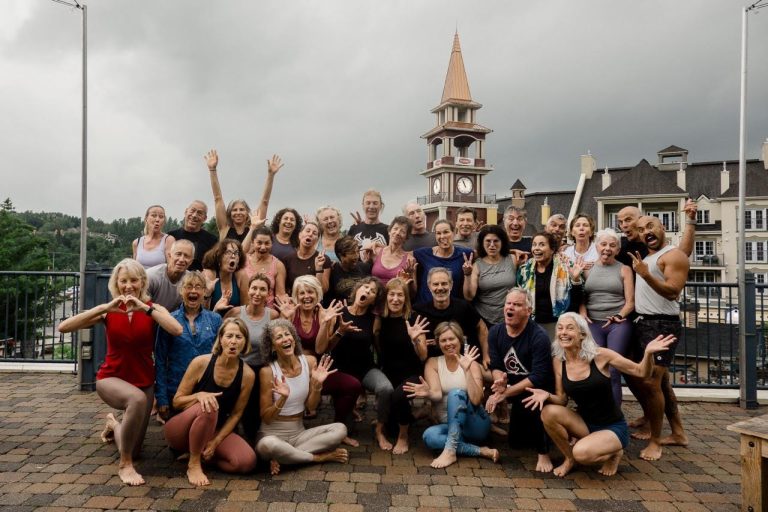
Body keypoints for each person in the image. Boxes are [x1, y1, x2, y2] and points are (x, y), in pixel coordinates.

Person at [58, 259, 182, 485]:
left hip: (144, 381)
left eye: (133, 280)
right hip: (111, 378)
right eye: (123, 281)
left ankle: (114, 425)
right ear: (116, 283)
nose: (128, 286)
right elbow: (64, 327)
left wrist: (146, 307)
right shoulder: (109, 311)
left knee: (134, 449)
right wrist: (104, 308)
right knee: (134, 400)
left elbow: (177, 329)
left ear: (142, 282)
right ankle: (125, 465)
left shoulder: (152, 308)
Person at [523, 313, 675, 477]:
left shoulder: (600, 355)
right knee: (548, 412)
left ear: (582, 334)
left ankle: (615, 452)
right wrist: (546, 395)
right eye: (560, 328)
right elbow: (561, 399)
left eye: (569, 328)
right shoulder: (559, 361)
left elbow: (640, 372)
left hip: (612, 427)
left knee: (582, 454)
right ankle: (569, 458)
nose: (563, 332)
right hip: (585, 424)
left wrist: (648, 354)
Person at [625, 216, 689, 461]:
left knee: (652, 382)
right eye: (641, 230)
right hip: (645, 323)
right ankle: (678, 433)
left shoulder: (673, 256)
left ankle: (655, 441)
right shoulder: (649, 257)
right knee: (659, 383)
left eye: (650, 227)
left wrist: (645, 274)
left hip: (663, 323)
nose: (645, 232)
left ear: (663, 228)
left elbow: (673, 292)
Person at [165, 318, 257, 486]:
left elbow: (236, 414)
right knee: (209, 404)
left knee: (246, 462)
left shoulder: (248, 375)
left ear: (245, 343)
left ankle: (203, 455)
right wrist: (198, 396)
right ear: (220, 339)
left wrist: (215, 442)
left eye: (239, 337)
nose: (233, 342)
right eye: (229, 336)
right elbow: (177, 402)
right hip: (180, 429)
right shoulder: (201, 363)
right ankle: (193, 464)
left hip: (212, 430)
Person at [256, 319, 349, 475]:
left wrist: (317, 386)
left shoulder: (309, 361)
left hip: (299, 434)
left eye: (288, 334)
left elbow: (311, 407)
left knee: (340, 429)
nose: (285, 339)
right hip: (272, 434)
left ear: (293, 338)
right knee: (268, 444)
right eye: (279, 337)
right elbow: (266, 418)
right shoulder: (268, 371)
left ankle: (286, 457)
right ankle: (317, 458)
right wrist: (282, 398)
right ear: (272, 346)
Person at [275, 276, 361, 443]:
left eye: (310, 292)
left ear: (318, 294)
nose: (306, 296)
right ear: (296, 296)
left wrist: (324, 323)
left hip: (317, 372)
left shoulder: (326, 314)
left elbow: (321, 349)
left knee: (352, 385)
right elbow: (283, 347)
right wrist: (285, 320)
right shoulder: (290, 314)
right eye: (302, 293)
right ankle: (287, 431)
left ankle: (339, 427)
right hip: (293, 373)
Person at [403, 322, 498, 469]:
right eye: (443, 340)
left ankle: (450, 450)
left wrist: (467, 371)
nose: (448, 343)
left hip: (475, 425)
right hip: (449, 425)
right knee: (429, 436)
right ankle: (479, 451)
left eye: (451, 339)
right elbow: (436, 394)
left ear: (460, 340)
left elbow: (476, 399)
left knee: (456, 393)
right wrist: (428, 393)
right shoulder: (433, 363)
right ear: (437, 343)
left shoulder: (470, 363)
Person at [485, 288, 554, 473]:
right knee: (516, 442)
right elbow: (496, 365)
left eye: (517, 304)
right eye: (508, 303)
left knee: (535, 407)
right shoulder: (495, 332)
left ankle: (544, 452)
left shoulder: (539, 336)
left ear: (528, 311)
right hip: (514, 386)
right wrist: (499, 382)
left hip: (537, 390)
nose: (511, 307)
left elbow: (539, 376)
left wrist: (506, 393)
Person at [325, 278, 395, 450]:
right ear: (357, 290)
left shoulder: (374, 319)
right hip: (341, 370)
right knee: (345, 429)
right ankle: (347, 410)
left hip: (365, 369)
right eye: (365, 287)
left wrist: (383, 367)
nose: (367, 292)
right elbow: (326, 347)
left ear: (374, 300)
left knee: (386, 388)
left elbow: (378, 347)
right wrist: (340, 332)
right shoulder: (338, 313)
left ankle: (380, 430)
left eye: (372, 291)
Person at [155, 271, 224, 423]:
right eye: (188, 287)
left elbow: (221, 356)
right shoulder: (170, 320)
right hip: (177, 390)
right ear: (181, 291)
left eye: (198, 287)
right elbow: (160, 359)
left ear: (204, 291)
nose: (193, 291)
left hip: (207, 388)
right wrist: (162, 398)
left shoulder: (215, 319)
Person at [579, 228, 635, 405]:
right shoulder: (587, 269)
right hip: (593, 323)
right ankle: (595, 412)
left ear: (618, 250)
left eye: (612, 245)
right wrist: (582, 312)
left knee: (613, 369)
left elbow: (630, 302)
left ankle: (614, 416)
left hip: (617, 324)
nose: (607, 248)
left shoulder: (624, 269)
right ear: (596, 246)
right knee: (595, 368)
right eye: (603, 244)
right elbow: (581, 296)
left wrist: (619, 315)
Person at [374, 278, 428, 454]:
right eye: (392, 294)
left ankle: (403, 436)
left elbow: (423, 355)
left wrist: (415, 340)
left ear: (406, 298)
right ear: (386, 297)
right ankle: (418, 414)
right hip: (389, 371)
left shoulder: (413, 318)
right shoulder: (381, 319)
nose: (396, 299)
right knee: (391, 425)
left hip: (411, 371)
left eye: (400, 295)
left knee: (398, 396)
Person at [225, 273, 280, 439]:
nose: (257, 293)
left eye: (262, 289)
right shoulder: (235, 312)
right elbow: (221, 337)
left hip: (260, 370)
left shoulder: (273, 316)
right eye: (254, 288)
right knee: (232, 409)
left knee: (252, 413)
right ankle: (230, 439)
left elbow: (279, 342)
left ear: (268, 294)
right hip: (237, 369)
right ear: (248, 290)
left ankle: (251, 443)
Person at [414, 267, 488, 367]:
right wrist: (420, 343)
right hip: (434, 364)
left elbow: (482, 328)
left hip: (464, 361)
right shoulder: (419, 311)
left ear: (451, 285)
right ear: (429, 286)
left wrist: (486, 356)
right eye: (435, 284)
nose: (440, 288)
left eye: (444, 283)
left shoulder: (463, 307)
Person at [206, 149, 284, 243]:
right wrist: (212, 170)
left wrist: (271, 175)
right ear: (230, 214)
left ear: (247, 213)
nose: (238, 212)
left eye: (242, 209)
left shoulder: (254, 229)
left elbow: (265, 202)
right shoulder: (224, 229)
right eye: (234, 210)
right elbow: (217, 198)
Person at [516, 232, 576, 340]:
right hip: (532, 324)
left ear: (552, 249)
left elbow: (577, 297)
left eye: (542, 245)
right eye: (534, 244)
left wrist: (576, 279)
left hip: (559, 324)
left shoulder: (566, 266)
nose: (536, 248)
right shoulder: (524, 269)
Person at [462, 224, 516, 326]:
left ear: (502, 242)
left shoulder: (513, 259)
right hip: (485, 319)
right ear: (482, 243)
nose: (492, 245)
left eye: (496, 241)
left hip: (509, 317)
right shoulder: (477, 265)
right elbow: (469, 296)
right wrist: (467, 274)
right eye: (488, 241)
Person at [412, 219, 473, 304]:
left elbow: (483, 254)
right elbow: (404, 255)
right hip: (424, 308)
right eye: (438, 233)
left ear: (454, 233)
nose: (442, 236)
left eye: (446, 232)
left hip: (451, 310)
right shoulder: (423, 254)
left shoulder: (465, 254)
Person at [242, 220, 287, 307]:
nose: (263, 247)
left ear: (272, 244)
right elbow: (240, 251)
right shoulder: (244, 261)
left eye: (267, 243)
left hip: (269, 312)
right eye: (259, 243)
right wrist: (252, 227)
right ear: (252, 243)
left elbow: (280, 295)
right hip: (245, 310)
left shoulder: (278, 265)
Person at [169, 201, 219, 272]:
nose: (194, 215)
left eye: (199, 213)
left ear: (205, 218)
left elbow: (213, 266)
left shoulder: (211, 240)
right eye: (192, 211)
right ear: (186, 212)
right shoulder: (171, 236)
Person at [146, 239, 194, 311]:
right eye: (178, 254)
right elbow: (143, 307)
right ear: (169, 255)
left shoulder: (191, 280)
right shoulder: (151, 276)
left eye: (186, 256)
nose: (181, 259)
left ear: (191, 261)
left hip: (175, 319)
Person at [284, 221, 332, 293]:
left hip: (315, 301)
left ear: (317, 240)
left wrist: (319, 268)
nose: (310, 234)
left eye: (314, 233)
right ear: (300, 235)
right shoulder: (288, 259)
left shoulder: (323, 259)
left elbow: (324, 290)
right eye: (308, 231)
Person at [202, 239, 249, 310]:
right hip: (211, 319)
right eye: (228, 252)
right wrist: (207, 294)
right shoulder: (209, 274)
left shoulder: (241, 275)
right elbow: (201, 312)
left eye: (236, 253)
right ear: (218, 257)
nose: (233, 256)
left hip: (235, 320)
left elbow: (245, 308)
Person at [368, 216, 414, 288]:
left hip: (394, 298)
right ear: (389, 231)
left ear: (406, 237)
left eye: (402, 231)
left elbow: (413, 292)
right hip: (375, 297)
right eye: (395, 229)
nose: (397, 233)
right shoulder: (375, 251)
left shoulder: (409, 260)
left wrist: (409, 277)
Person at [328, 235, 372, 304]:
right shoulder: (332, 271)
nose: (356, 256)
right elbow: (329, 298)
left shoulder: (365, 267)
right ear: (341, 256)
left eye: (357, 251)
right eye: (352, 253)